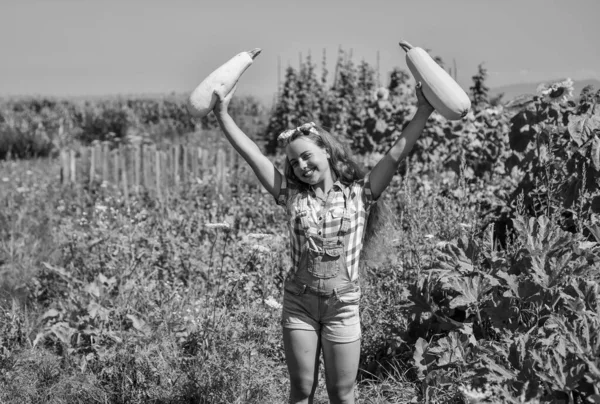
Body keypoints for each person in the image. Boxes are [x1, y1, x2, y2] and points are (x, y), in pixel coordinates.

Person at [213, 82, 434, 404]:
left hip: (342, 307)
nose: (301, 166)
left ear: (326, 152)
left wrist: (423, 110)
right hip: (299, 304)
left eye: (306, 156)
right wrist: (222, 114)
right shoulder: (289, 196)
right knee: (301, 390)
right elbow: (253, 156)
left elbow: (396, 153)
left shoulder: (362, 194)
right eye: (294, 163)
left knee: (342, 394)